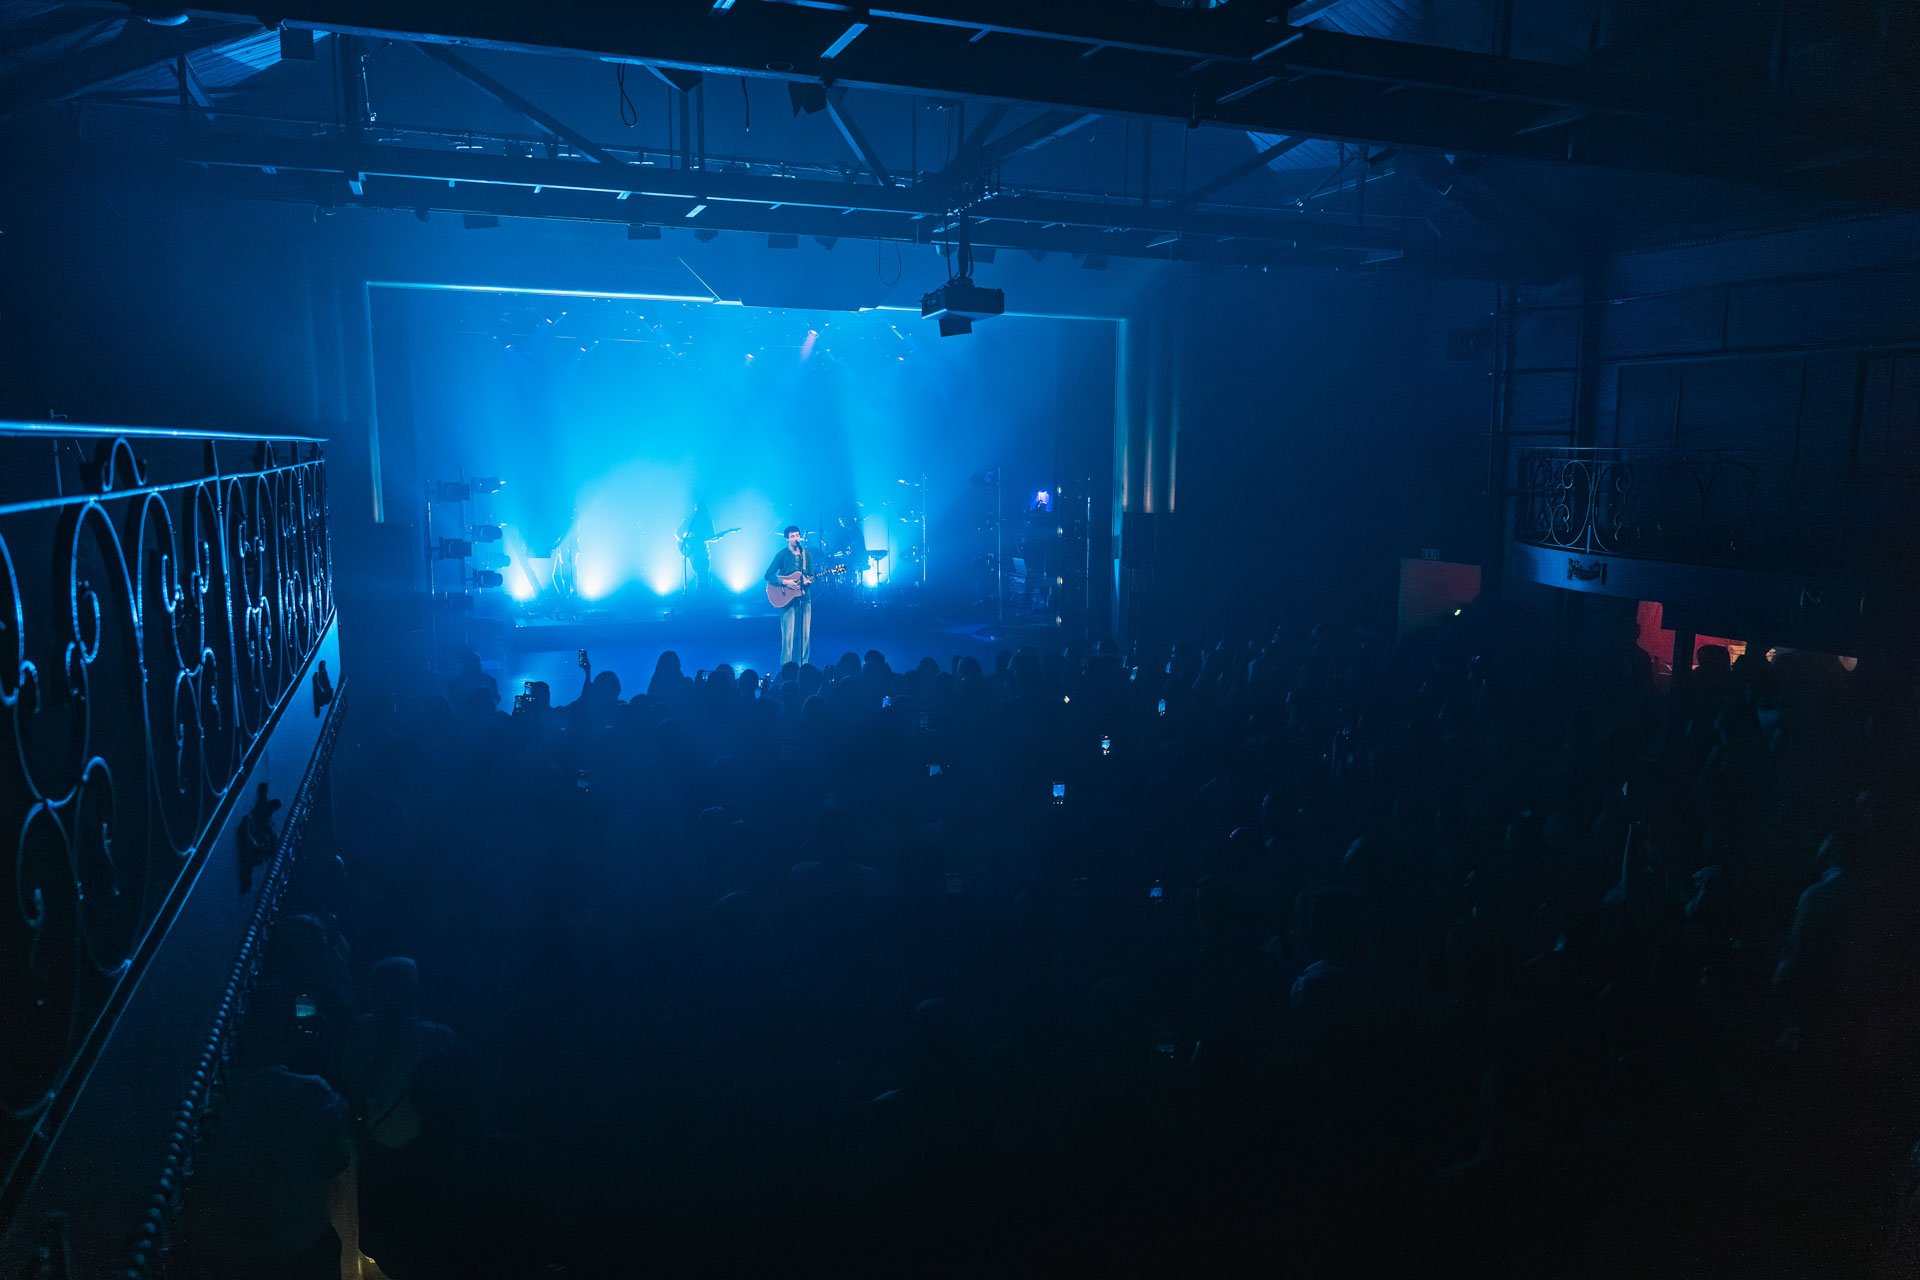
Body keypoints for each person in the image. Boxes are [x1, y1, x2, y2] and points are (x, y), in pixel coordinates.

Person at [764, 525, 815, 668]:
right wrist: (785, 582)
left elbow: (811, 575)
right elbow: (768, 575)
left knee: (805, 635)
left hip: (804, 598)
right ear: (786, 539)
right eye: (792, 536)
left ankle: (803, 666)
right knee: (788, 636)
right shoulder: (781, 555)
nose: (796, 538)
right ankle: (786, 669)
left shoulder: (807, 555)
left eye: (797, 535)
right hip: (787, 599)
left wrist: (809, 580)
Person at [678, 500, 716, 596]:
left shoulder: (707, 520)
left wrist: (718, 537)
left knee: (702, 575)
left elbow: (712, 536)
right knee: (702, 574)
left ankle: (701, 598)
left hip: (703, 552)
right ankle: (701, 598)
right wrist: (685, 538)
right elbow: (677, 533)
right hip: (692, 551)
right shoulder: (689, 519)